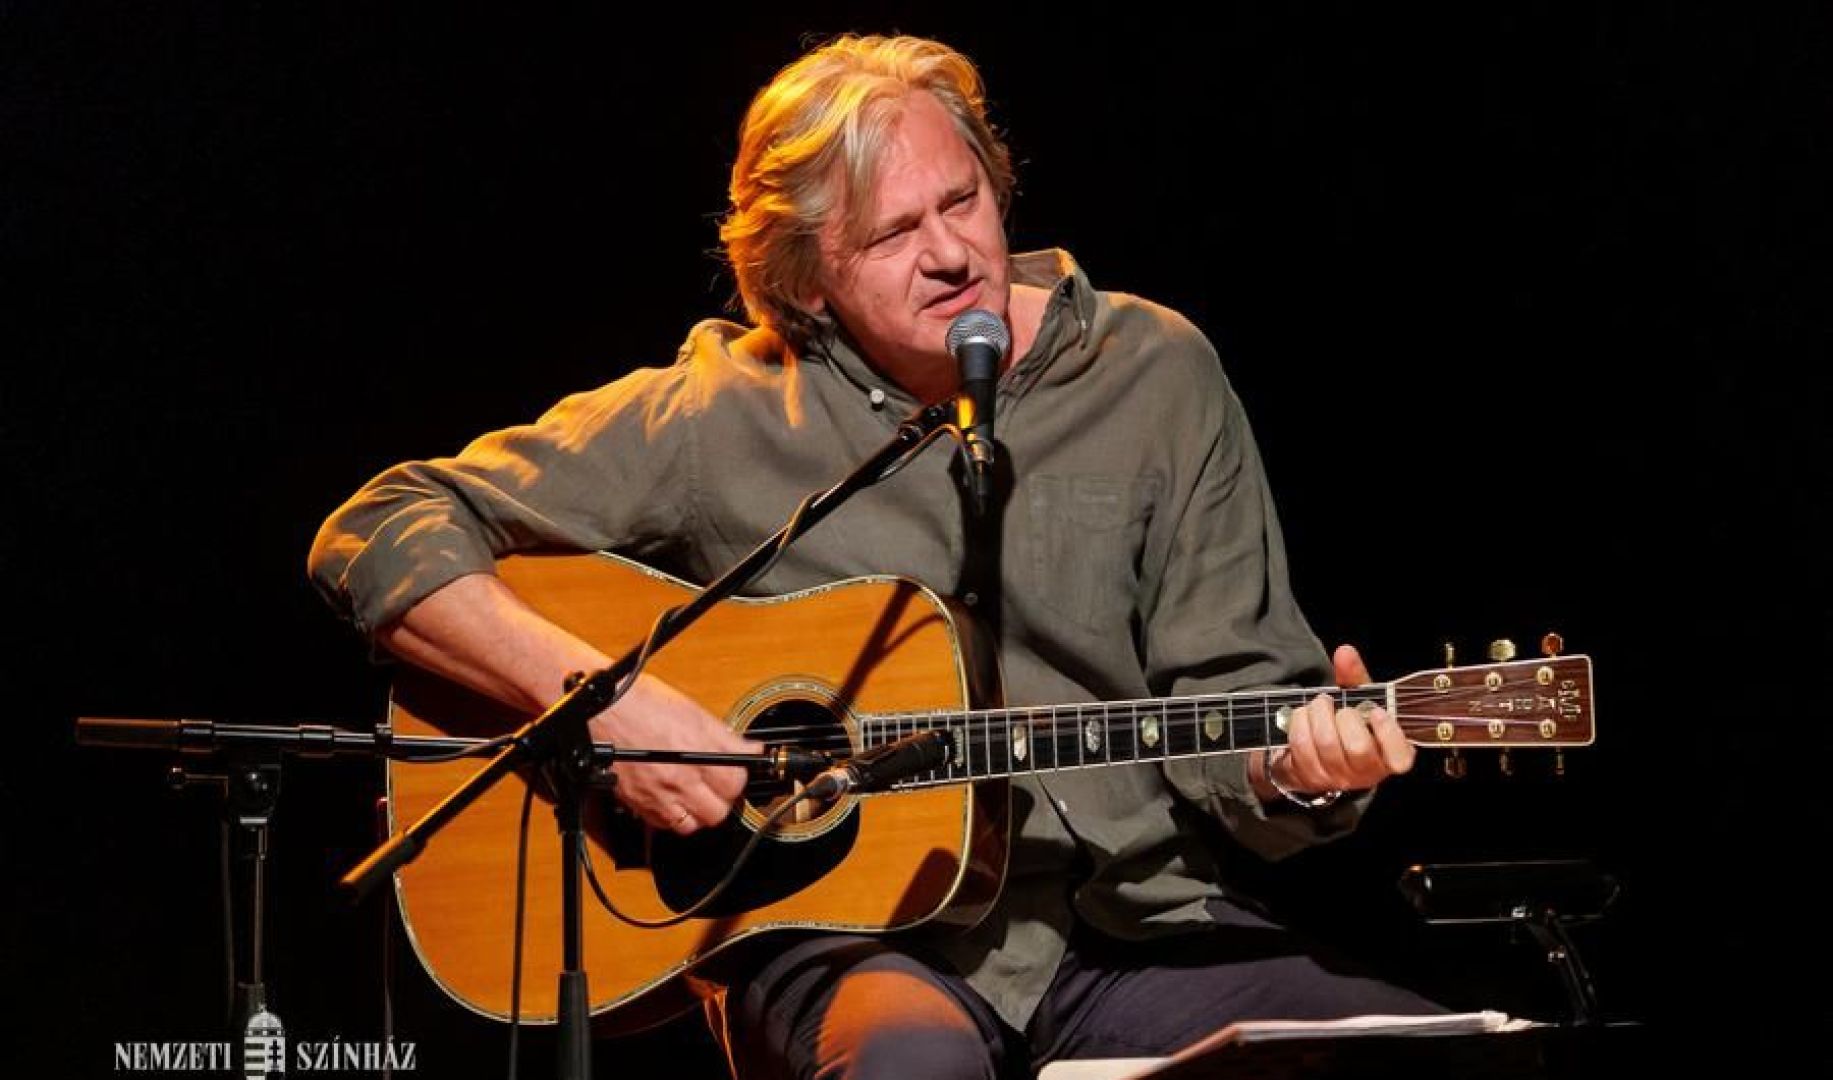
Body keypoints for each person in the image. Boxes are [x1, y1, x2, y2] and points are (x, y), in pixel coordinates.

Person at [309, 33, 1442, 1080]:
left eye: (963, 201)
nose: (951, 254)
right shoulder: (723, 414)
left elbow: (1238, 704)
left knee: (1418, 1054)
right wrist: (606, 704)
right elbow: (379, 526)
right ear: (807, 277)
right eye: (894, 235)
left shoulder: (1155, 374)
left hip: (1126, 932)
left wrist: (1300, 769)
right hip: (839, 937)